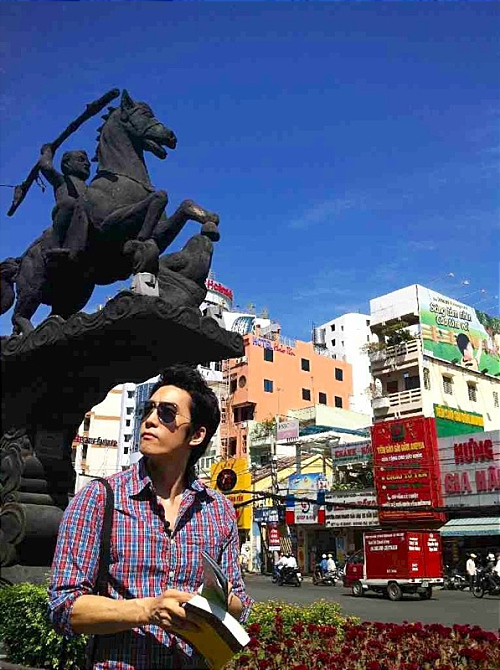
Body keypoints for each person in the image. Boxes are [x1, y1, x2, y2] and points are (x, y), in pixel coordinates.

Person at [48, 364, 253, 669]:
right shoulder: (99, 498)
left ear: (196, 435)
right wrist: (147, 611)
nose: (150, 420)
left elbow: (240, 604)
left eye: (167, 413)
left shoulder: (218, 509)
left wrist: (212, 604)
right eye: (149, 410)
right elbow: (63, 607)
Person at [38, 143, 91, 260]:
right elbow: (45, 167)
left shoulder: (89, 187)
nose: (87, 164)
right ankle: (54, 245)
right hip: (66, 212)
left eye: (88, 162)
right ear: (67, 164)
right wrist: (47, 152)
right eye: (81, 160)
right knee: (69, 203)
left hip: (82, 213)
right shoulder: (62, 180)